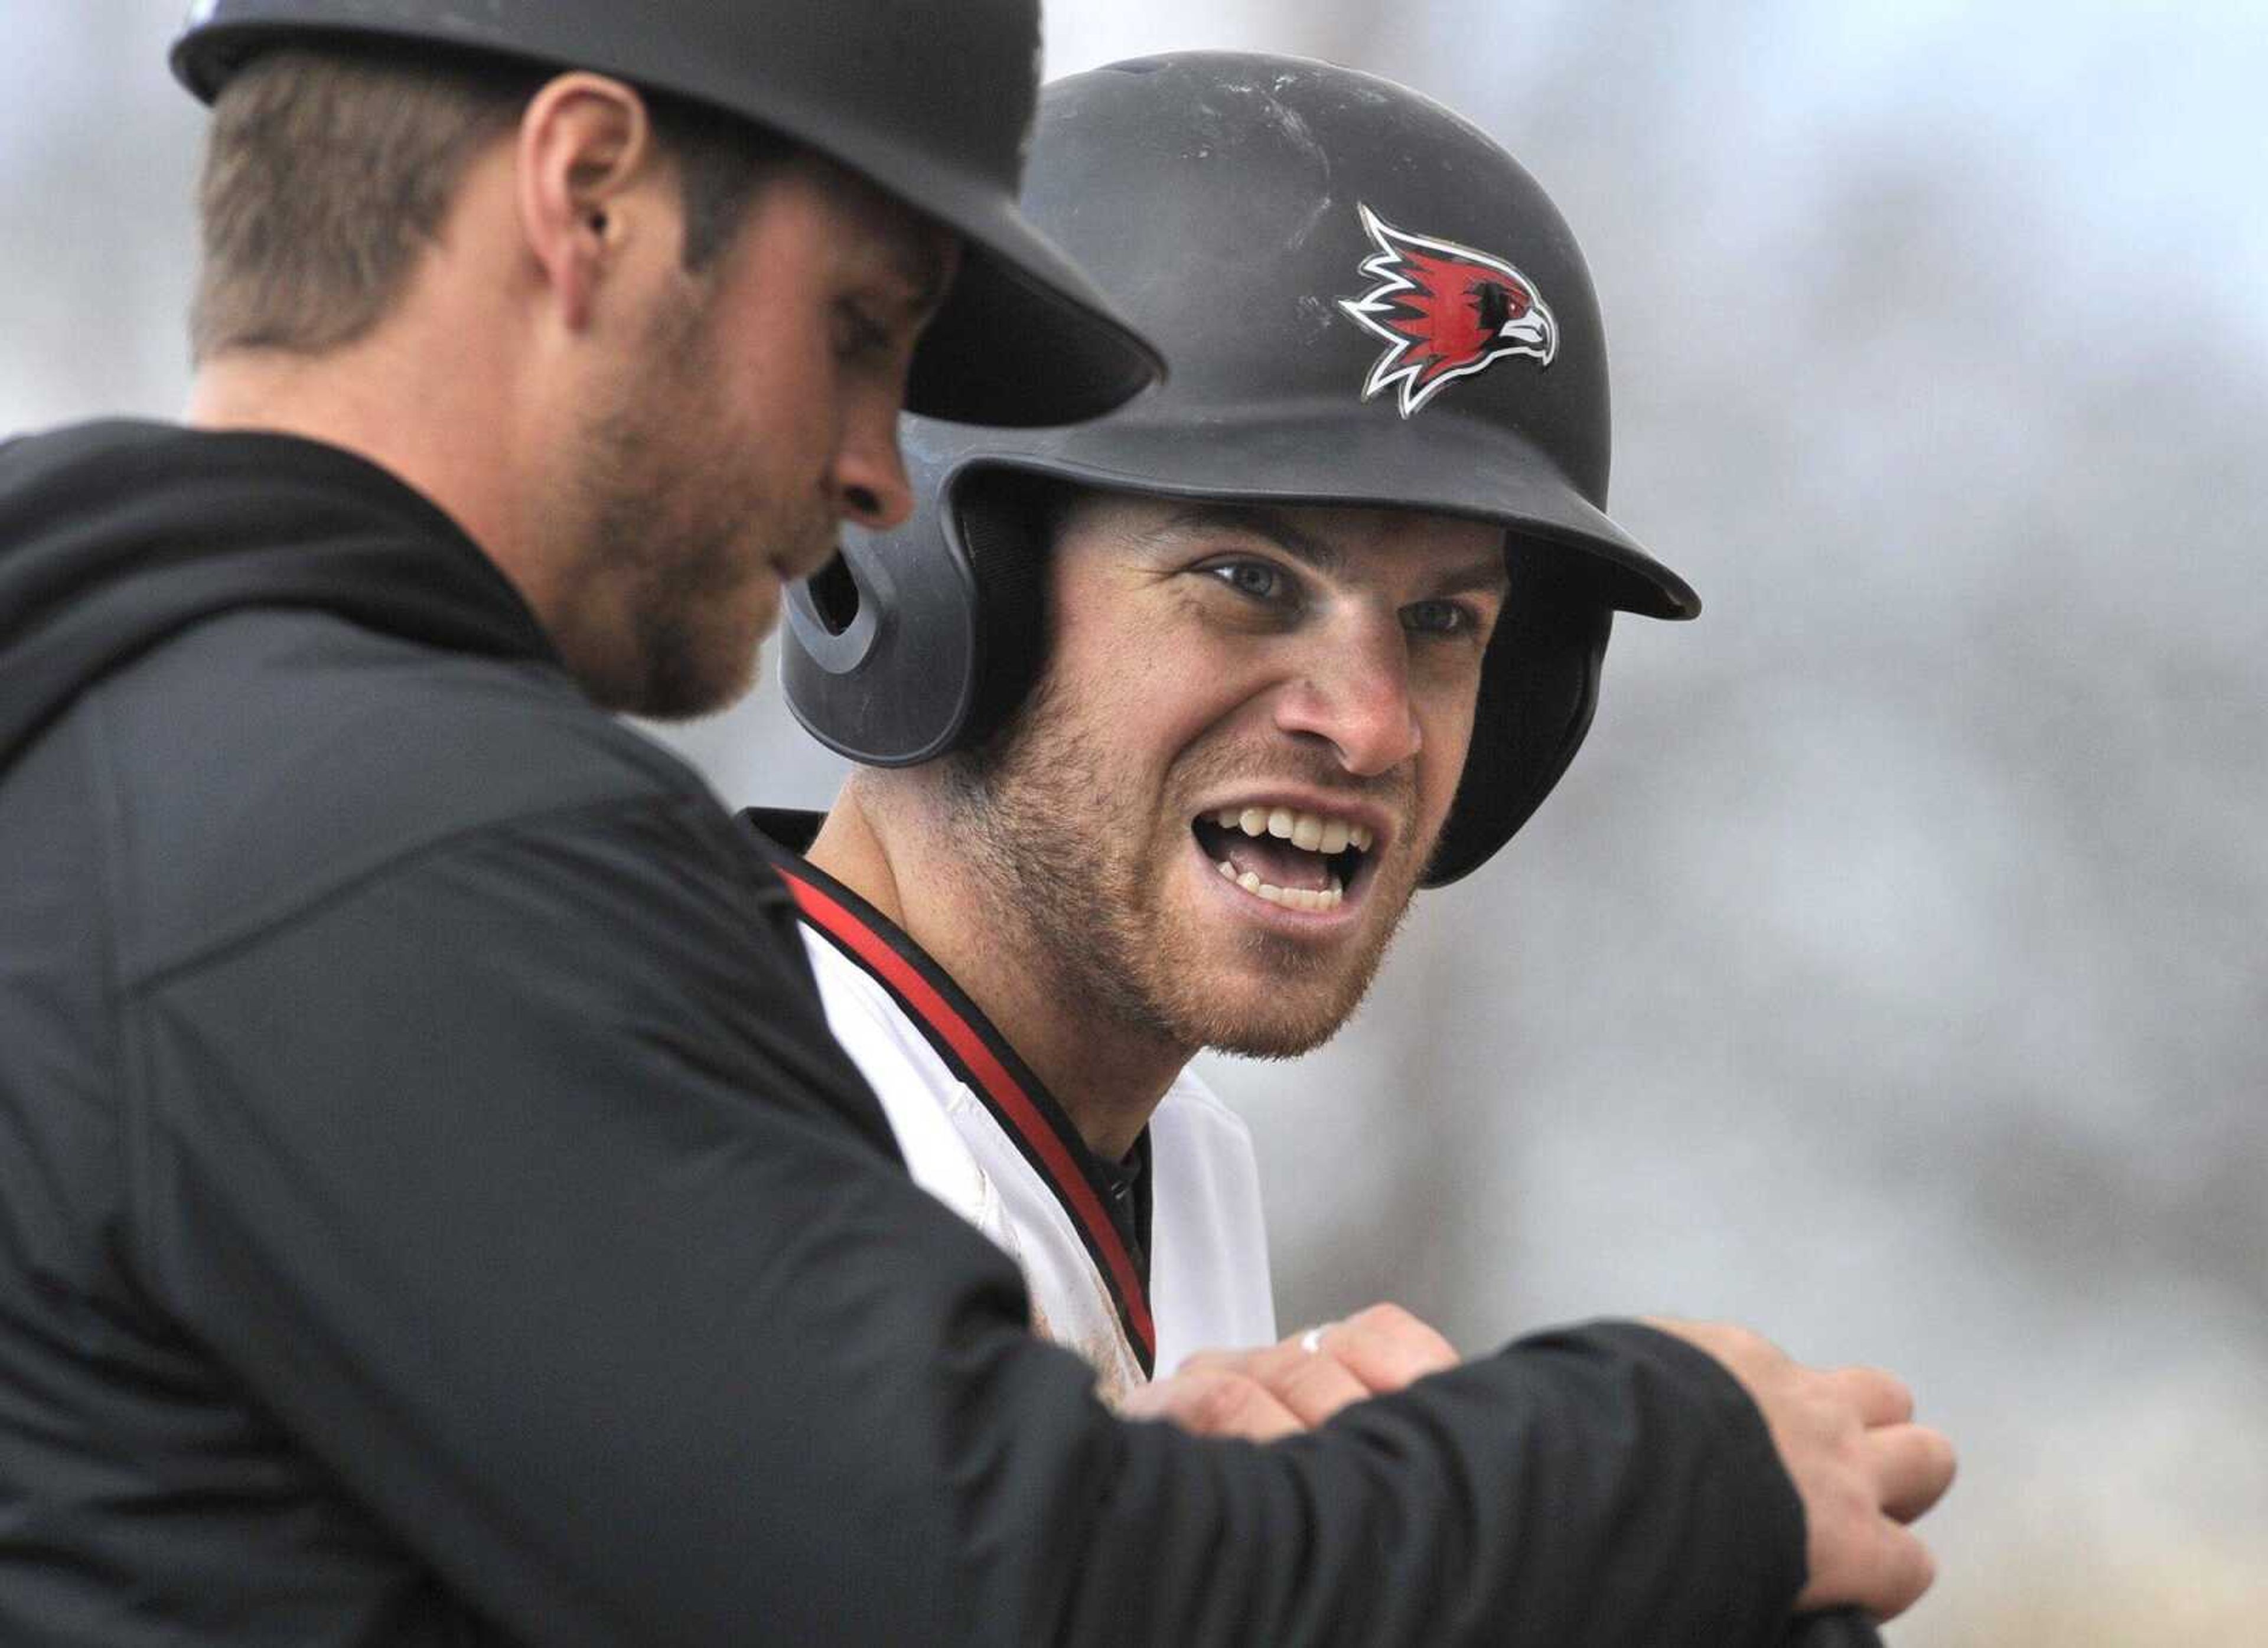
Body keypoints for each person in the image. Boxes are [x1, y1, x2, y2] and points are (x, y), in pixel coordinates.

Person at [0, 4, 1945, 1642]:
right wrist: (1657, 1473)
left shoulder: (242, 794)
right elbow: (988, 1597)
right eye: (863, 325)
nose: (863, 466)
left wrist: (1202, 1490)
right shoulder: (386, 853)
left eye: (1449, 628)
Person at [758, 40, 1956, 1601]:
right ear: (929, 574)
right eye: (1249, 581)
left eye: (1446, 625)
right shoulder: (722, 1109)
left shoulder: (1177, 1167)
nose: (1373, 722)